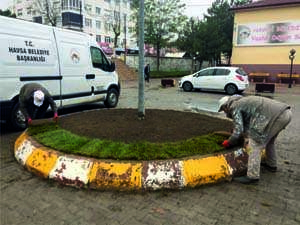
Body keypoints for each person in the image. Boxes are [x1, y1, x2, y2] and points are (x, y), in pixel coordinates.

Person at [218, 95, 292, 184]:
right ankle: (271, 165)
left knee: (255, 144)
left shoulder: (234, 106)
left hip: (276, 117)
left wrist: (229, 142)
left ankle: (252, 176)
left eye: (223, 110)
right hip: (285, 113)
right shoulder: (243, 101)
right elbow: (247, 125)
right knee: (270, 141)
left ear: (226, 106)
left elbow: (239, 130)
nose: (225, 113)